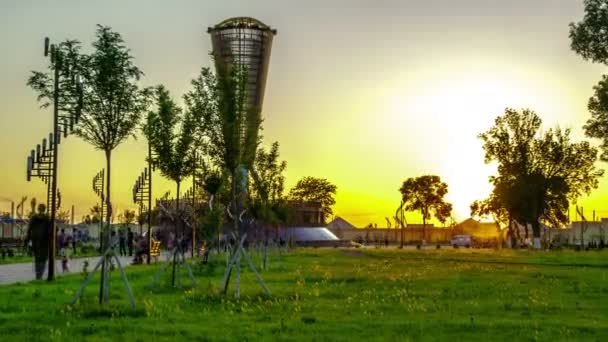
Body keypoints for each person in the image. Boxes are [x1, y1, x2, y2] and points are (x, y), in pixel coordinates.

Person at [25, 204, 51, 280]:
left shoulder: (33, 218)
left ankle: (38, 276)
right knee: (43, 259)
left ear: (38, 209)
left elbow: (29, 229)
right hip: (44, 242)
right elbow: (51, 230)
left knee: (37, 259)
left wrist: (27, 240)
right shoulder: (47, 218)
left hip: (35, 241)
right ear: (45, 209)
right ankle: (40, 275)